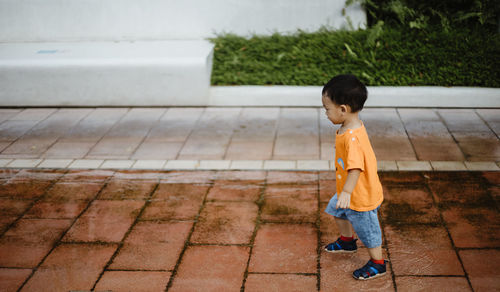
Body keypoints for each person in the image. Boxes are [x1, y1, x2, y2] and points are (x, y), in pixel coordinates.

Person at [321, 74, 387, 280]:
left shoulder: (352, 138)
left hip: (359, 197)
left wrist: (347, 192)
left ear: (343, 109)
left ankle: (378, 263)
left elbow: (356, 169)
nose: (325, 113)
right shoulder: (350, 127)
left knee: (369, 232)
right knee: (337, 212)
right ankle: (347, 241)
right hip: (348, 192)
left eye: (327, 109)